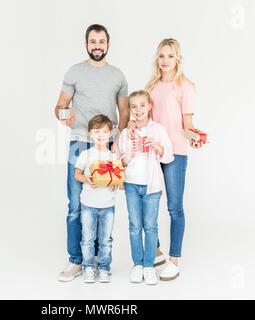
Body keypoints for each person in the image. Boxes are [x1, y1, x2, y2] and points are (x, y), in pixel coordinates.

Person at [55, 24, 129, 282]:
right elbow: (60, 107)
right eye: (92, 41)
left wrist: (118, 141)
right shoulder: (74, 72)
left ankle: (97, 260)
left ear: (108, 45)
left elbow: (125, 112)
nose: (97, 45)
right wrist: (65, 116)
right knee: (76, 205)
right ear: (86, 44)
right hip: (79, 142)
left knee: (102, 202)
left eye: (101, 41)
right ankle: (76, 261)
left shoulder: (118, 76)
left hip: (107, 145)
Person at [128, 38, 203, 281]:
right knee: (149, 202)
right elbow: (140, 115)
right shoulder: (151, 87)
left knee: (174, 207)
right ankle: (156, 251)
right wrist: (130, 122)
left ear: (177, 59)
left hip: (176, 153)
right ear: (157, 59)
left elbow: (187, 125)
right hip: (150, 152)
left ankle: (174, 259)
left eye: (170, 56)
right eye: (161, 56)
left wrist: (195, 136)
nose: (165, 61)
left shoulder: (185, 87)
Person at [118, 90, 173, 285]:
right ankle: (137, 265)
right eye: (134, 106)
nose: (138, 110)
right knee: (134, 226)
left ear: (150, 106)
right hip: (132, 184)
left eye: (142, 105)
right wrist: (128, 155)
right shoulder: (126, 132)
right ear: (130, 110)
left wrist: (157, 146)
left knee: (150, 226)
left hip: (152, 186)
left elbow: (169, 157)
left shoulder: (158, 130)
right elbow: (120, 162)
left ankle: (149, 265)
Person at [74, 115, 120, 283]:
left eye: (104, 131)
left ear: (110, 134)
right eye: (96, 131)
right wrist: (87, 179)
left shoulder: (113, 157)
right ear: (90, 134)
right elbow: (77, 174)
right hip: (88, 204)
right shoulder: (86, 154)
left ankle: (104, 268)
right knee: (87, 238)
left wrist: (116, 184)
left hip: (108, 204)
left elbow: (117, 179)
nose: (100, 135)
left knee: (106, 239)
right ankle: (88, 267)